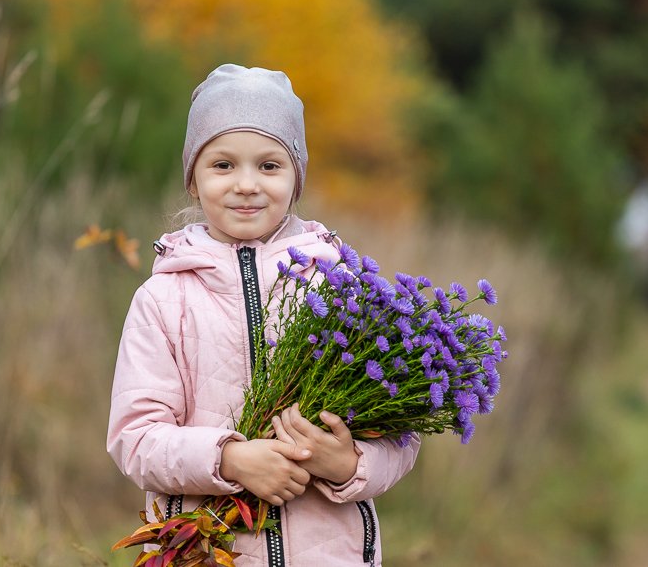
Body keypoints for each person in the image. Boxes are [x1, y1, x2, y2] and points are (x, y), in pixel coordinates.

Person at [107, 64, 420, 566]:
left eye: (270, 166)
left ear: (296, 178)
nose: (247, 185)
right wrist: (230, 459)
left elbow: (402, 436)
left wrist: (348, 464)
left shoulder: (340, 289)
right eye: (223, 165)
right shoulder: (163, 298)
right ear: (193, 179)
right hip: (206, 555)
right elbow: (135, 438)